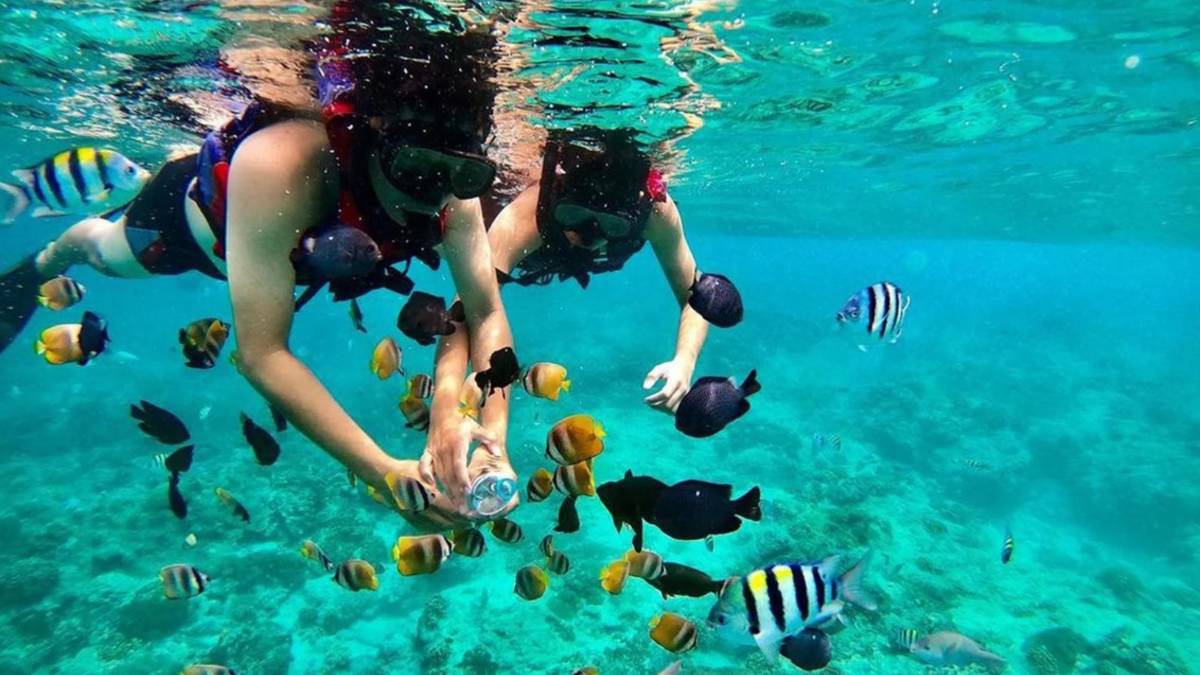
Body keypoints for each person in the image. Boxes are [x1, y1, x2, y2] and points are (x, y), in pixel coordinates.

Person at [0, 3, 517, 528]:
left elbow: (486, 312)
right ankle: (42, 262)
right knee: (107, 252)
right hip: (192, 233)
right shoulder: (283, 165)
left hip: (301, 247)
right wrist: (381, 472)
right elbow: (261, 352)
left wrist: (491, 438)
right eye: (414, 167)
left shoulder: (452, 191)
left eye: (463, 175)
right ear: (373, 134)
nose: (433, 193)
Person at [486, 127, 709, 412]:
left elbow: (698, 296)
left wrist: (684, 362)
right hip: (511, 238)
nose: (587, 235)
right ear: (559, 198)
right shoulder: (530, 211)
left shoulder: (655, 212)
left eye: (613, 224)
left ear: (633, 214)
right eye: (573, 214)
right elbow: (476, 303)